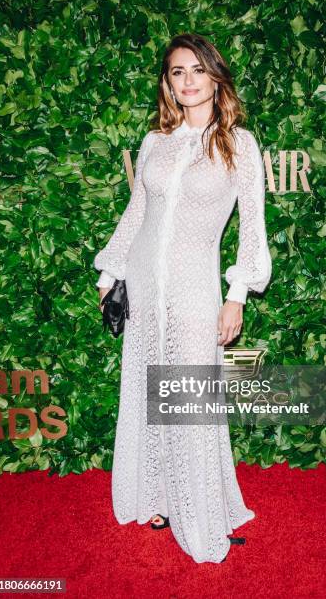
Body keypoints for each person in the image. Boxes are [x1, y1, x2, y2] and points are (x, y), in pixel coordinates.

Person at [94, 33, 272, 564]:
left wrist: (236, 294)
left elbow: (253, 230)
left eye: (198, 70)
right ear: (167, 82)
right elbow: (137, 215)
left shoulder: (239, 143)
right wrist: (111, 269)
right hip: (146, 283)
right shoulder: (155, 142)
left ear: (216, 77)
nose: (188, 81)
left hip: (196, 286)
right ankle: (156, 495)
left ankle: (200, 513)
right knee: (149, 395)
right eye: (177, 72)